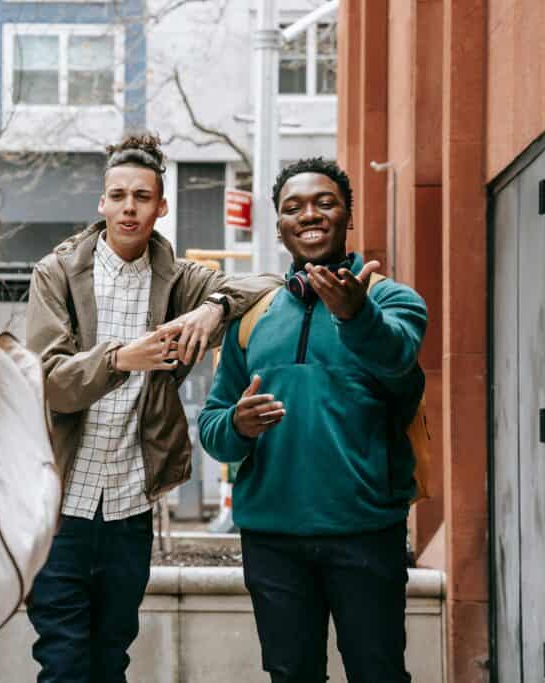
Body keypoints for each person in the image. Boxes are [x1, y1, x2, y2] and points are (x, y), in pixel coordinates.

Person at [24, 133, 280, 683]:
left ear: (160, 207)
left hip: (128, 509)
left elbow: (269, 282)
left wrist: (213, 309)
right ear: (101, 202)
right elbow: (50, 383)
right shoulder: (58, 274)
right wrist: (122, 358)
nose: (129, 208)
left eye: (142, 197)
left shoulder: (179, 280)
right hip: (60, 506)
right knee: (63, 663)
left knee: (111, 660)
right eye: (117, 195)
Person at [198, 157, 427, 683]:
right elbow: (213, 427)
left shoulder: (391, 299)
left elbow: (398, 363)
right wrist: (238, 424)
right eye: (293, 207)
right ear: (279, 226)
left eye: (325, 202)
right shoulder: (252, 316)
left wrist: (355, 314)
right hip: (272, 540)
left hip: (366, 533)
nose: (310, 215)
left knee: (379, 673)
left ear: (348, 215)